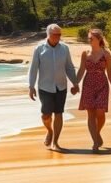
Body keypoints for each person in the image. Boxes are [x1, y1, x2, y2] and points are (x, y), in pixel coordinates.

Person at [28, 23, 79, 151]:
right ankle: (49, 131)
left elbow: (69, 67)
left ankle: (55, 142)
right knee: (46, 115)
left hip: (61, 86)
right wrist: (31, 86)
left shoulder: (64, 48)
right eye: (55, 35)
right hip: (45, 87)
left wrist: (75, 83)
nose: (58, 37)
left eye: (59, 35)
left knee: (59, 113)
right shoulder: (39, 49)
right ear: (48, 34)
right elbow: (33, 68)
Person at [75, 28, 111, 152]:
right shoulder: (85, 53)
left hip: (102, 85)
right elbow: (82, 70)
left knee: (100, 112)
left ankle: (97, 133)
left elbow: (109, 72)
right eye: (88, 38)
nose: (89, 40)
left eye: (91, 38)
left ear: (99, 39)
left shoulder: (106, 54)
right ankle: (95, 142)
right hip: (88, 84)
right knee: (90, 114)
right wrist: (75, 83)